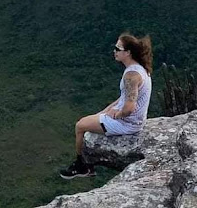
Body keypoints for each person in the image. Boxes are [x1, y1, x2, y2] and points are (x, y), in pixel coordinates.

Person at [59, 33, 153, 180]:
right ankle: (85, 165)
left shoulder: (131, 76)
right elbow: (125, 97)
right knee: (89, 119)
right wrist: (106, 110)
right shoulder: (140, 69)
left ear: (127, 53)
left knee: (79, 126)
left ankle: (82, 165)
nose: (114, 51)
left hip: (127, 124)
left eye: (118, 48)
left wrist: (116, 114)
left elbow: (129, 108)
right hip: (134, 121)